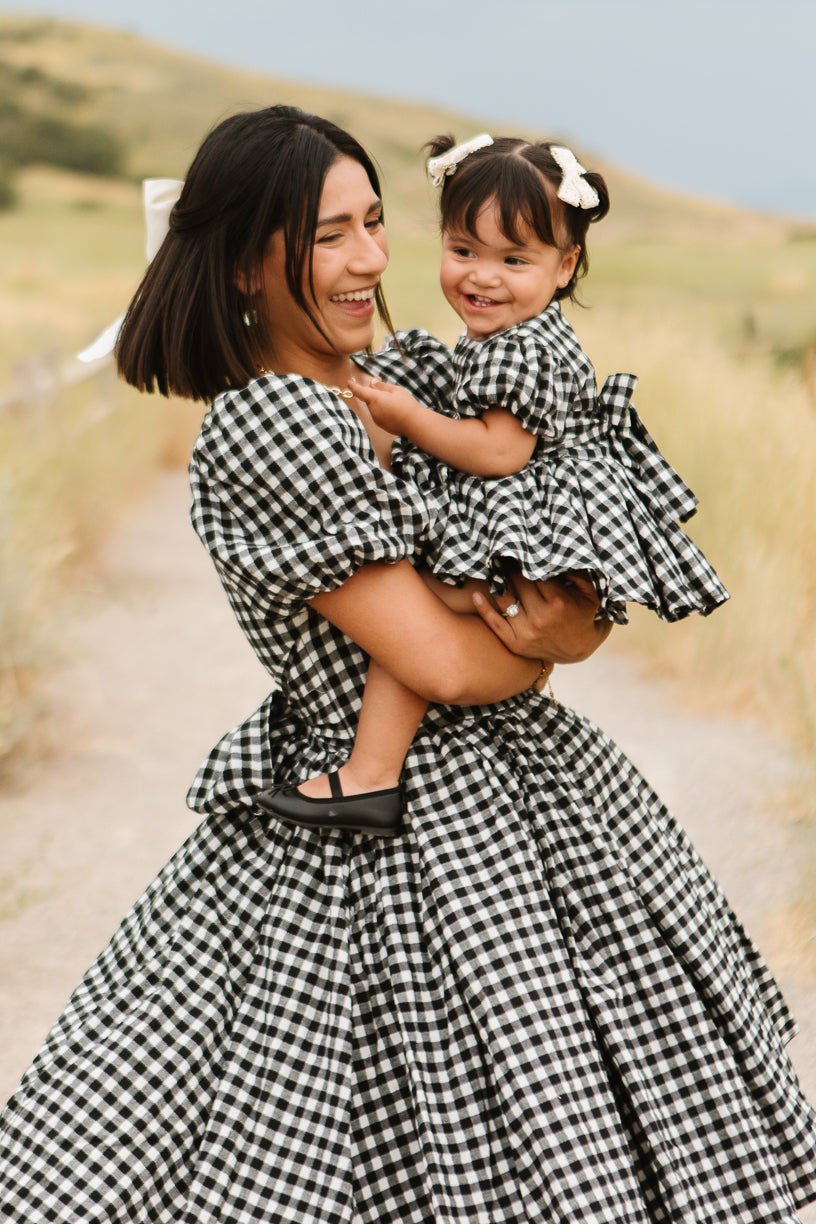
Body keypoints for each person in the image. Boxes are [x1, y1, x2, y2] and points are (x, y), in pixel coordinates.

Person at [0, 104, 814, 1224]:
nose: (373, 260)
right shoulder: (271, 424)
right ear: (248, 259)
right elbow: (446, 663)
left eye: (377, 222)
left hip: (519, 796)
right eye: (331, 233)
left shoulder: (392, 381)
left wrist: (566, 624)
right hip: (382, 813)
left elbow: (550, 572)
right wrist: (544, 643)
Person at [266, 132, 729, 828]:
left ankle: (371, 773)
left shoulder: (525, 347)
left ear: (565, 264)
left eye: (514, 259)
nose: (482, 277)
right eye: (463, 252)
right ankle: (378, 767)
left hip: (526, 521)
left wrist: (409, 417)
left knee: (425, 613)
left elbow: (498, 453)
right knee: (426, 619)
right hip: (523, 515)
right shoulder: (508, 335)